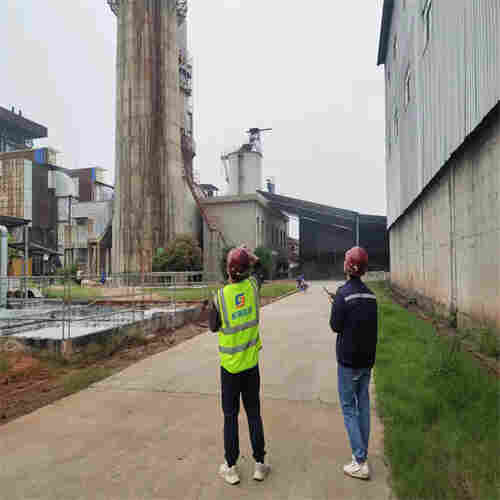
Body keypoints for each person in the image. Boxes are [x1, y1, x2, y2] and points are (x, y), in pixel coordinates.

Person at [209, 246, 271, 485]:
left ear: (228, 270)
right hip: (251, 366)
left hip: (229, 369)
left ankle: (231, 467)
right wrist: (252, 257)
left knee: (230, 417)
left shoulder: (220, 297)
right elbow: (262, 271)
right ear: (247, 270)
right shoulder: (253, 288)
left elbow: (213, 327)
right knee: (254, 414)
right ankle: (260, 464)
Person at [329, 246, 378, 480]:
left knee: (349, 408)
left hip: (348, 363)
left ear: (348, 266)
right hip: (366, 362)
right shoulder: (371, 296)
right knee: (363, 406)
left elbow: (335, 326)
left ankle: (360, 461)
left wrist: (336, 305)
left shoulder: (342, 295)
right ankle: (362, 454)